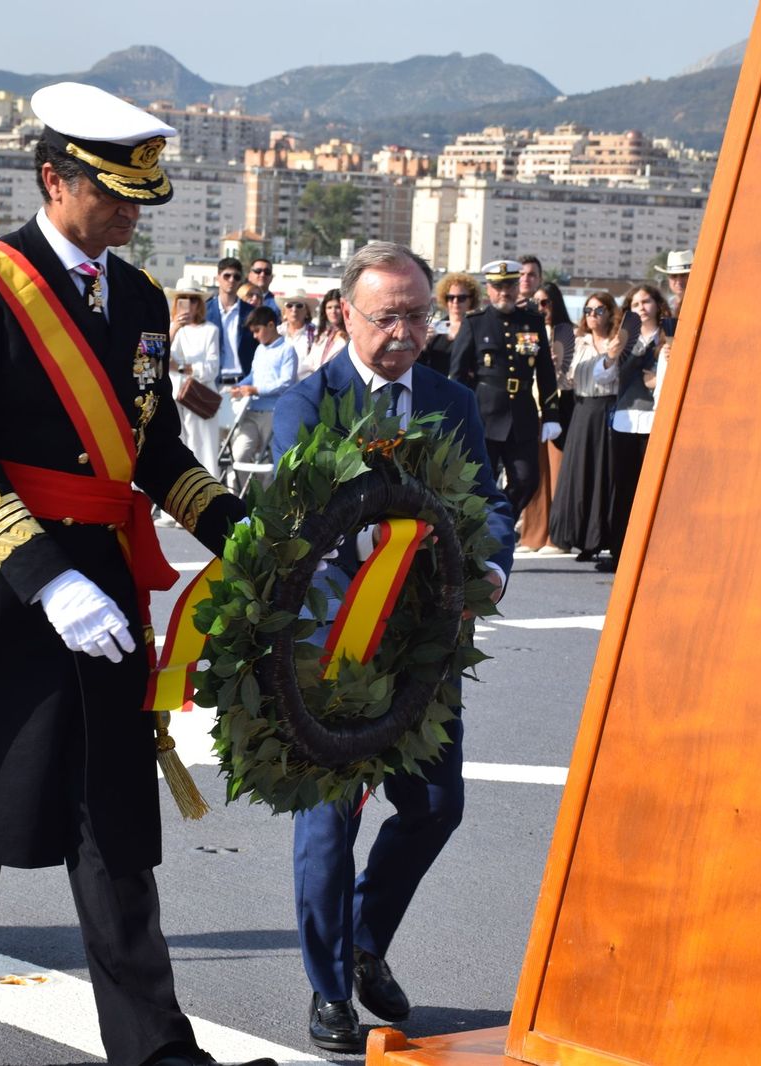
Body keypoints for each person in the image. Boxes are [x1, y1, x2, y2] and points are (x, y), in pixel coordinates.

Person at [0, 82, 264, 1066]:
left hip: (103, 581)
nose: (129, 213)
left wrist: (237, 528)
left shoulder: (143, 301)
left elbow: (152, 451)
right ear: (52, 179)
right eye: (114, 194)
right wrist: (46, 578)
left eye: (138, 196)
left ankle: (155, 1046)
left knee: (113, 817)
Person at [268, 241, 517, 1055]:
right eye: (388, 317)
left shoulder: (451, 398)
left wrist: (489, 563)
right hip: (333, 649)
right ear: (345, 314)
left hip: (425, 648)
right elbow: (308, 520)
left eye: (418, 313)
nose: (408, 331)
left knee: (436, 808)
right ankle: (330, 988)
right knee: (330, 820)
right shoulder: (306, 404)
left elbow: (489, 501)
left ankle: (366, 937)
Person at [448, 260, 561, 517]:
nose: (504, 292)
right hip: (484, 415)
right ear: (488, 288)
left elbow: (545, 370)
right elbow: (457, 375)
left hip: (522, 415)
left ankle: (499, 523)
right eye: (498, 286)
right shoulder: (475, 322)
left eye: (509, 285)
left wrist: (551, 413)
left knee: (527, 480)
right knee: (478, 483)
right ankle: (481, 531)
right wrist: (458, 416)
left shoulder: (532, 321)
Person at [598, 283, 669, 573]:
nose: (641, 307)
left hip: (653, 419)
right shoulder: (622, 340)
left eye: (646, 302)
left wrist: (660, 380)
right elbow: (603, 378)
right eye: (635, 304)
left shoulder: (668, 338)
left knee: (650, 489)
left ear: (657, 305)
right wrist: (611, 355)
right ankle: (619, 552)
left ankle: (649, 552)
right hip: (625, 420)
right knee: (623, 489)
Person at [549, 292, 619, 560]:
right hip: (583, 409)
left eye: (598, 310)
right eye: (588, 310)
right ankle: (581, 538)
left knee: (608, 474)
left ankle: (606, 537)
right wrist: (556, 370)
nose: (592, 315)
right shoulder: (578, 343)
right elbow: (566, 383)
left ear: (610, 312)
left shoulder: (618, 342)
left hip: (610, 409)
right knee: (580, 473)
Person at [517, 282, 574, 553]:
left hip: (560, 409)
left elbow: (572, 374)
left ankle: (557, 537)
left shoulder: (568, 333)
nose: (540, 308)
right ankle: (532, 535)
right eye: (535, 303)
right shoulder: (527, 333)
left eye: (545, 302)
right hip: (532, 407)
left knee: (558, 474)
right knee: (535, 476)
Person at [226, 306, 294, 493]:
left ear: (271, 325)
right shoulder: (260, 350)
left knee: (268, 463)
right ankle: (240, 497)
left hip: (273, 414)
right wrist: (240, 387)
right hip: (251, 411)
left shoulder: (287, 349)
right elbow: (253, 376)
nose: (255, 336)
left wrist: (254, 389)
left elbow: (286, 383)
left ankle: (266, 506)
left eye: (257, 330)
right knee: (239, 454)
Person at [167, 288, 221, 478]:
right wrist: (173, 330)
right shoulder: (169, 329)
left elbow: (211, 369)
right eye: (182, 298)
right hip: (172, 397)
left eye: (193, 299)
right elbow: (155, 359)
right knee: (174, 451)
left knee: (204, 451)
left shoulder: (210, 330)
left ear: (200, 304)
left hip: (198, 397)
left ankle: (210, 503)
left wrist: (181, 367)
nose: (188, 303)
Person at [204, 257, 252, 392]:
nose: (231, 280)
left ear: (241, 281)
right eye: (227, 276)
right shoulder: (204, 311)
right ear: (218, 278)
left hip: (243, 383)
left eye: (236, 277)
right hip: (212, 384)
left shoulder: (251, 313)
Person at [422, 271, 478, 376]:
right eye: (450, 297)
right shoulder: (434, 328)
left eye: (461, 298)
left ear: (471, 300)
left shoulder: (478, 328)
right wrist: (423, 346)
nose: (455, 302)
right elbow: (422, 364)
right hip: (437, 385)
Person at [278, 291, 316, 380]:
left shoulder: (315, 334)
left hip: (305, 387)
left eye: (299, 306)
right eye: (289, 305)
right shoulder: (277, 333)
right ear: (284, 312)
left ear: (307, 312)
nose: (294, 309)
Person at [308, 287, 347, 369]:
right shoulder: (322, 335)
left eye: (337, 307)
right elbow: (309, 364)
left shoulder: (351, 337)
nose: (333, 311)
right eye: (329, 307)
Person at [654, 248, 693, 314]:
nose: (679, 281)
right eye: (674, 276)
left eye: (683, 275)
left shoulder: (704, 303)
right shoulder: (662, 307)